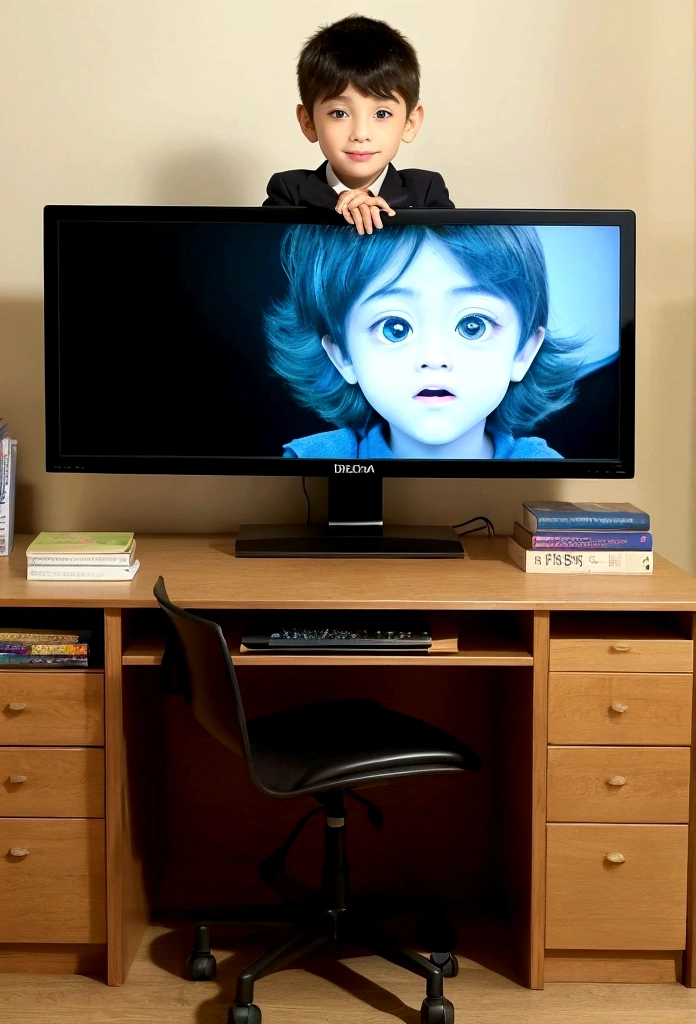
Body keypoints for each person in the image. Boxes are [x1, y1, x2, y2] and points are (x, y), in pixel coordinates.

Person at [264, 223, 583, 459]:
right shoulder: (316, 461)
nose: (434, 357)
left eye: (473, 326)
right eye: (395, 328)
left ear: (524, 351)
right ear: (342, 356)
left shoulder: (538, 471)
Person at [263, 14, 454, 234]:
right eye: (339, 113)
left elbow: (449, 257)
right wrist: (340, 208)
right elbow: (272, 258)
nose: (361, 134)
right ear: (309, 122)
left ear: (410, 123)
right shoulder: (289, 192)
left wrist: (376, 205)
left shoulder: (426, 190)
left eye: (381, 114)